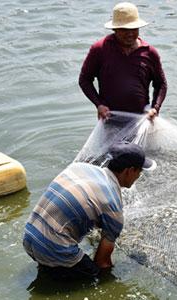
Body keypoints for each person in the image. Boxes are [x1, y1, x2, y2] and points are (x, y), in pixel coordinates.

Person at [22, 143, 156, 280]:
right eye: (139, 171)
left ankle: (51, 267)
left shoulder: (79, 167)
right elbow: (102, 262)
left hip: (28, 237)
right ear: (129, 171)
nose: (139, 176)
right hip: (52, 247)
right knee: (97, 276)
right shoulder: (113, 207)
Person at [79, 2, 167, 121]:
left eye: (134, 29)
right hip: (109, 119)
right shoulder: (100, 49)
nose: (130, 34)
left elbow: (160, 83)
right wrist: (99, 104)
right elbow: (84, 80)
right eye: (124, 29)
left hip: (142, 119)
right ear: (114, 29)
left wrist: (155, 108)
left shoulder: (150, 53)